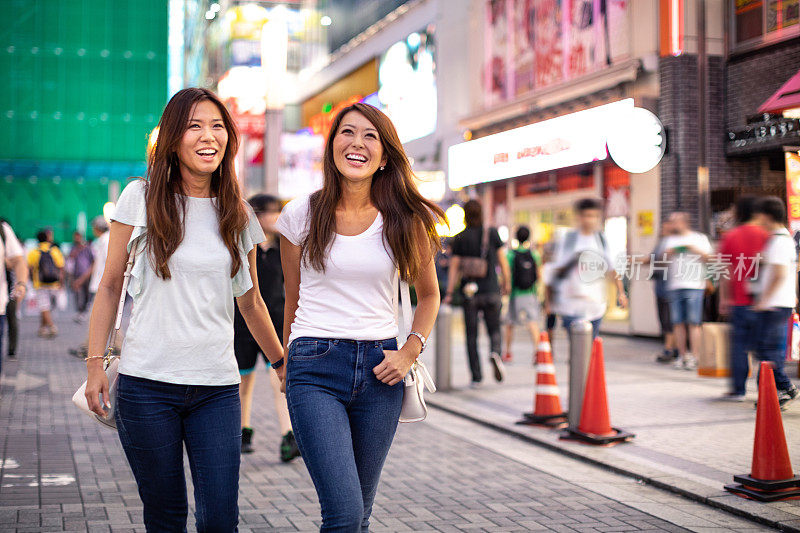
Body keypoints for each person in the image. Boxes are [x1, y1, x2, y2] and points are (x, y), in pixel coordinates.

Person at [84, 87, 284, 531]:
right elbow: (111, 284)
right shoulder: (141, 198)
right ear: (173, 138)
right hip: (147, 387)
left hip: (216, 388)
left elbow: (249, 300)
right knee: (166, 514)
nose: (207, 136)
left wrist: (281, 362)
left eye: (217, 126)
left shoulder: (238, 214)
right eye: (194, 126)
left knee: (219, 519)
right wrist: (95, 363)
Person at [276, 102, 444, 532]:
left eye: (371, 136)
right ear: (332, 145)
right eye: (347, 132)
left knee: (361, 513)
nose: (357, 143)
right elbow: (291, 299)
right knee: (345, 512)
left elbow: (429, 296)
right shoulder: (300, 214)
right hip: (314, 367)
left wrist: (410, 351)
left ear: (384, 156)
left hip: (380, 373)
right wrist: (285, 363)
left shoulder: (405, 220)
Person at [235, 193, 300, 462]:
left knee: (279, 380)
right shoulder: (242, 247)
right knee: (243, 381)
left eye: (277, 213)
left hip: (276, 322)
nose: (275, 219)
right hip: (243, 323)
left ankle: (288, 436)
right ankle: (243, 430)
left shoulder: (283, 249)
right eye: (269, 213)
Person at [445, 199, 510, 387]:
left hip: (469, 293)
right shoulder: (491, 234)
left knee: (471, 335)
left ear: (465, 214)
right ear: (482, 214)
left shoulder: (460, 237)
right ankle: (495, 353)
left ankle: (476, 377)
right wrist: (507, 282)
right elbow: (503, 262)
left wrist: (449, 292)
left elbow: (454, 268)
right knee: (494, 328)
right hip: (491, 289)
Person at [550, 198, 627, 339]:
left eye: (593, 216)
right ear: (579, 217)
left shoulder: (601, 240)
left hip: (595, 304)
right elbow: (557, 269)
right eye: (586, 216)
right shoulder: (568, 240)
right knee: (577, 346)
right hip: (571, 304)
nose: (589, 220)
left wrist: (621, 292)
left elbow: (612, 269)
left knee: (590, 345)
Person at [717, 196, 768, 401]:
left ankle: (738, 389)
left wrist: (724, 298)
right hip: (764, 301)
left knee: (739, 345)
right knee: (765, 347)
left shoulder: (731, 236)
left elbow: (725, 270)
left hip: (738, 300)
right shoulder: (767, 235)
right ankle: (767, 390)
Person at [751, 196, 799, 409]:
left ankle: (782, 389)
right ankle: (776, 392)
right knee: (765, 349)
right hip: (778, 302)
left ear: (767, 215)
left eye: (759, 214)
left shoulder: (780, 241)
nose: (756, 218)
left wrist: (764, 299)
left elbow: (780, 273)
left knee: (767, 351)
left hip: (775, 304)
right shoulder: (778, 239)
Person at [662, 212, 712, 370]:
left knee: (693, 322)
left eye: (675, 221)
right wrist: (667, 253)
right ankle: (682, 355)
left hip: (694, 285)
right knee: (677, 323)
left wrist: (693, 249)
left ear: (684, 222)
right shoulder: (669, 240)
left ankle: (695, 356)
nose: (673, 224)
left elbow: (711, 258)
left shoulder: (699, 239)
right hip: (674, 285)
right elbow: (660, 261)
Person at [69, 217, 112, 359]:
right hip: (101, 285)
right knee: (108, 317)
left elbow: (108, 265)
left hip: (103, 286)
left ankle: (87, 348)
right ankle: (117, 346)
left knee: (95, 317)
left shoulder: (106, 241)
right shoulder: (103, 241)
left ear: (97, 228)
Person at [502, 225, 541, 364]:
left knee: (510, 323)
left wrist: (505, 288)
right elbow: (539, 274)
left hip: (514, 293)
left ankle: (507, 353)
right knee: (532, 322)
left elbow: (506, 273)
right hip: (530, 293)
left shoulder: (511, 254)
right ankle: (538, 352)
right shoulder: (534, 254)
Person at [644, 219, 679, 363]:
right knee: (664, 318)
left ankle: (669, 349)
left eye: (666, 227)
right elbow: (652, 259)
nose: (662, 229)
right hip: (660, 285)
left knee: (668, 318)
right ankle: (673, 348)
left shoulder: (674, 244)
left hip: (670, 287)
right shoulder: (661, 242)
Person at [0, 220, 27, 378]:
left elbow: (18, 261)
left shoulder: (3, 230)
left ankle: (12, 349)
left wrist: (22, 284)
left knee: (13, 322)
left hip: (3, 300)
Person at [27, 228, 65, 338]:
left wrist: (32, 281)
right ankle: (43, 328)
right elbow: (61, 268)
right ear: (47, 238)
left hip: (40, 284)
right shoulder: (54, 251)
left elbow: (29, 268)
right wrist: (61, 283)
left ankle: (51, 327)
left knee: (44, 307)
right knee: (47, 307)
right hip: (54, 283)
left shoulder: (33, 252)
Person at [66, 230, 94, 323]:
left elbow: (93, 261)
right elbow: (69, 261)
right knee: (77, 294)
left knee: (86, 293)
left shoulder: (87, 248)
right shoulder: (73, 248)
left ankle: (84, 311)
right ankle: (79, 311)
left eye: (78, 236)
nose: (76, 238)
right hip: (76, 274)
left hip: (86, 274)